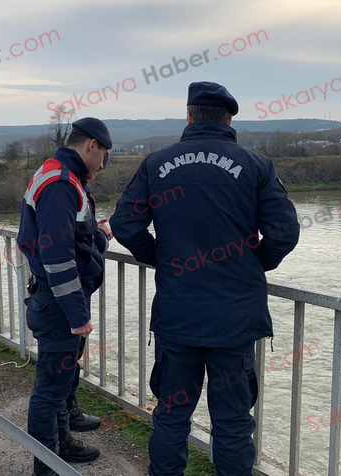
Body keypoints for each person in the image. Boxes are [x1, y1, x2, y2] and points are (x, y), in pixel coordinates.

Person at [109, 82, 300, 476]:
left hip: (178, 319)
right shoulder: (255, 165)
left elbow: (124, 223)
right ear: (230, 119)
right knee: (231, 424)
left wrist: (161, 258)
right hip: (234, 322)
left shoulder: (155, 163)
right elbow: (285, 232)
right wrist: (253, 265)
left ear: (189, 116)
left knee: (171, 416)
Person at [17, 117, 114, 476]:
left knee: (58, 386)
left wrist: (101, 236)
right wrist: (77, 315)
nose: (103, 164)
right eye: (103, 154)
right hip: (60, 304)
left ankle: (61, 448)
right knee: (49, 392)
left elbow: (75, 241)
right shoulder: (61, 183)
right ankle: (46, 467)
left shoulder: (60, 173)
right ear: (91, 145)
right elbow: (57, 258)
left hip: (57, 299)